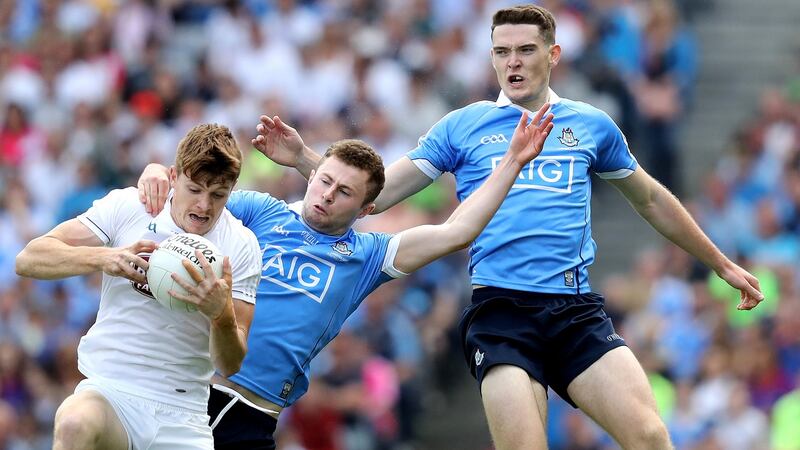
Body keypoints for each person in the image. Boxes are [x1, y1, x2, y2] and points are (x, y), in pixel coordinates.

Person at [230, 5, 766, 449]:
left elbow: (650, 199)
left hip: (574, 310)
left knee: (651, 437)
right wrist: (305, 160)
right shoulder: (462, 127)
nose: (513, 61)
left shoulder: (589, 125)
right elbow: (372, 195)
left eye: (526, 50)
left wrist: (720, 264)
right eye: (502, 51)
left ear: (552, 55)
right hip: (501, 313)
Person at [137, 106, 554, 449]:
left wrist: (513, 160)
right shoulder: (261, 211)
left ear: (366, 210)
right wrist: (158, 170)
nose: (326, 195)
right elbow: (195, 195)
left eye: (344, 193)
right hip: (187, 389)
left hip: (252, 414)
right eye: (324, 181)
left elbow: (457, 232)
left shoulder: (367, 257)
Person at [15, 123, 262, 450]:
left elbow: (230, 364)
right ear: (174, 177)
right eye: (195, 189)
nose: (204, 206)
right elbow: (29, 258)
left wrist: (220, 314)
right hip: (111, 390)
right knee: (75, 423)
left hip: (183, 413)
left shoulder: (241, 245)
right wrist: (105, 258)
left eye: (218, 195)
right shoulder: (133, 206)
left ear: (231, 191)